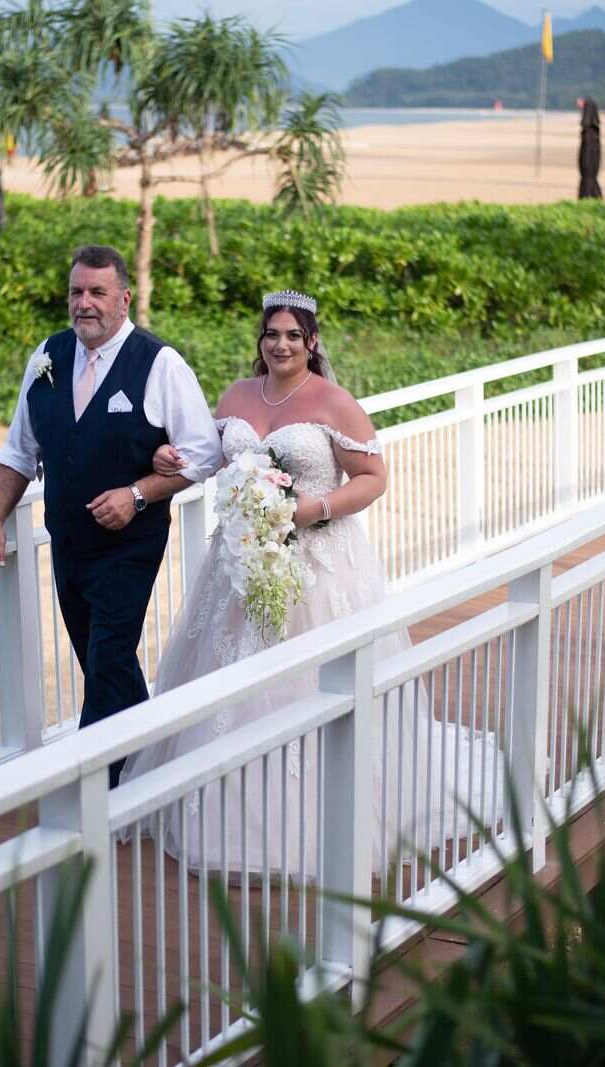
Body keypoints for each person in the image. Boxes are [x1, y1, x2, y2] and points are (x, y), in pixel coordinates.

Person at [119, 290, 497, 876]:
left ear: (312, 342)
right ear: (261, 340)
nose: (281, 345)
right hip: (239, 564)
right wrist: (170, 458)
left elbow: (372, 477)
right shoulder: (237, 396)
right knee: (231, 686)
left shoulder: (333, 401)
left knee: (311, 680)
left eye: (293, 335)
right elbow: (209, 457)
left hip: (317, 565)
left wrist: (311, 509)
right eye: (272, 334)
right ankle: (222, 810)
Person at [0, 245, 222, 786]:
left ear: (124, 298)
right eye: (76, 292)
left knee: (107, 656)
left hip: (130, 546)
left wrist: (138, 493)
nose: (84, 303)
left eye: (97, 292)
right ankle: (149, 768)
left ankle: (90, 791)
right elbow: (19, 450)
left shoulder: (159, 363)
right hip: (67, 544)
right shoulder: (47, 355)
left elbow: (205, 453)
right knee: (106, 665)